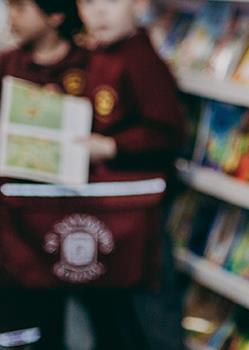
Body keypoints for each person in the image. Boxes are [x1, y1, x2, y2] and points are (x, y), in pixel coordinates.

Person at [1, 0, 183, 348]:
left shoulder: (140, 59)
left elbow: (168, 132)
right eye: (88, 3)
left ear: (139, 4)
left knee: (147, 320)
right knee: (112, 319)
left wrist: (111, 146)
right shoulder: (95, 55)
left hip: (135, 216)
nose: (98, 12)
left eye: (110, 1)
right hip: (104, 213)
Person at [0, 0, 87, 347]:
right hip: (13, 224)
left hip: (66, 217)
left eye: (21, 8)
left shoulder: (88, 65)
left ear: (55, 16)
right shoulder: (7, 65)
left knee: (61, 319)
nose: (12, 17)